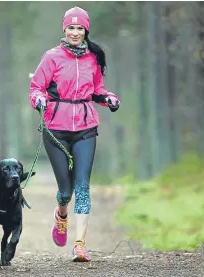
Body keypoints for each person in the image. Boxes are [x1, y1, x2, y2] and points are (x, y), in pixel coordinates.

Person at [28, 6, 120, 262]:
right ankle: (61, 215)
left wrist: (110, 98)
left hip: (85, 127)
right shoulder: (51, 57)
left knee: (82, 186)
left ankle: (80, 244)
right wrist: (38, 100)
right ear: (64, 29)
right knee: (66, 191)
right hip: (55, 129)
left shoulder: (94, 58)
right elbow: (37, 87)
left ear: (86, 30)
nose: (76, 32)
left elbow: (98, 90)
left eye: (80, 28)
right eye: (71, 27)